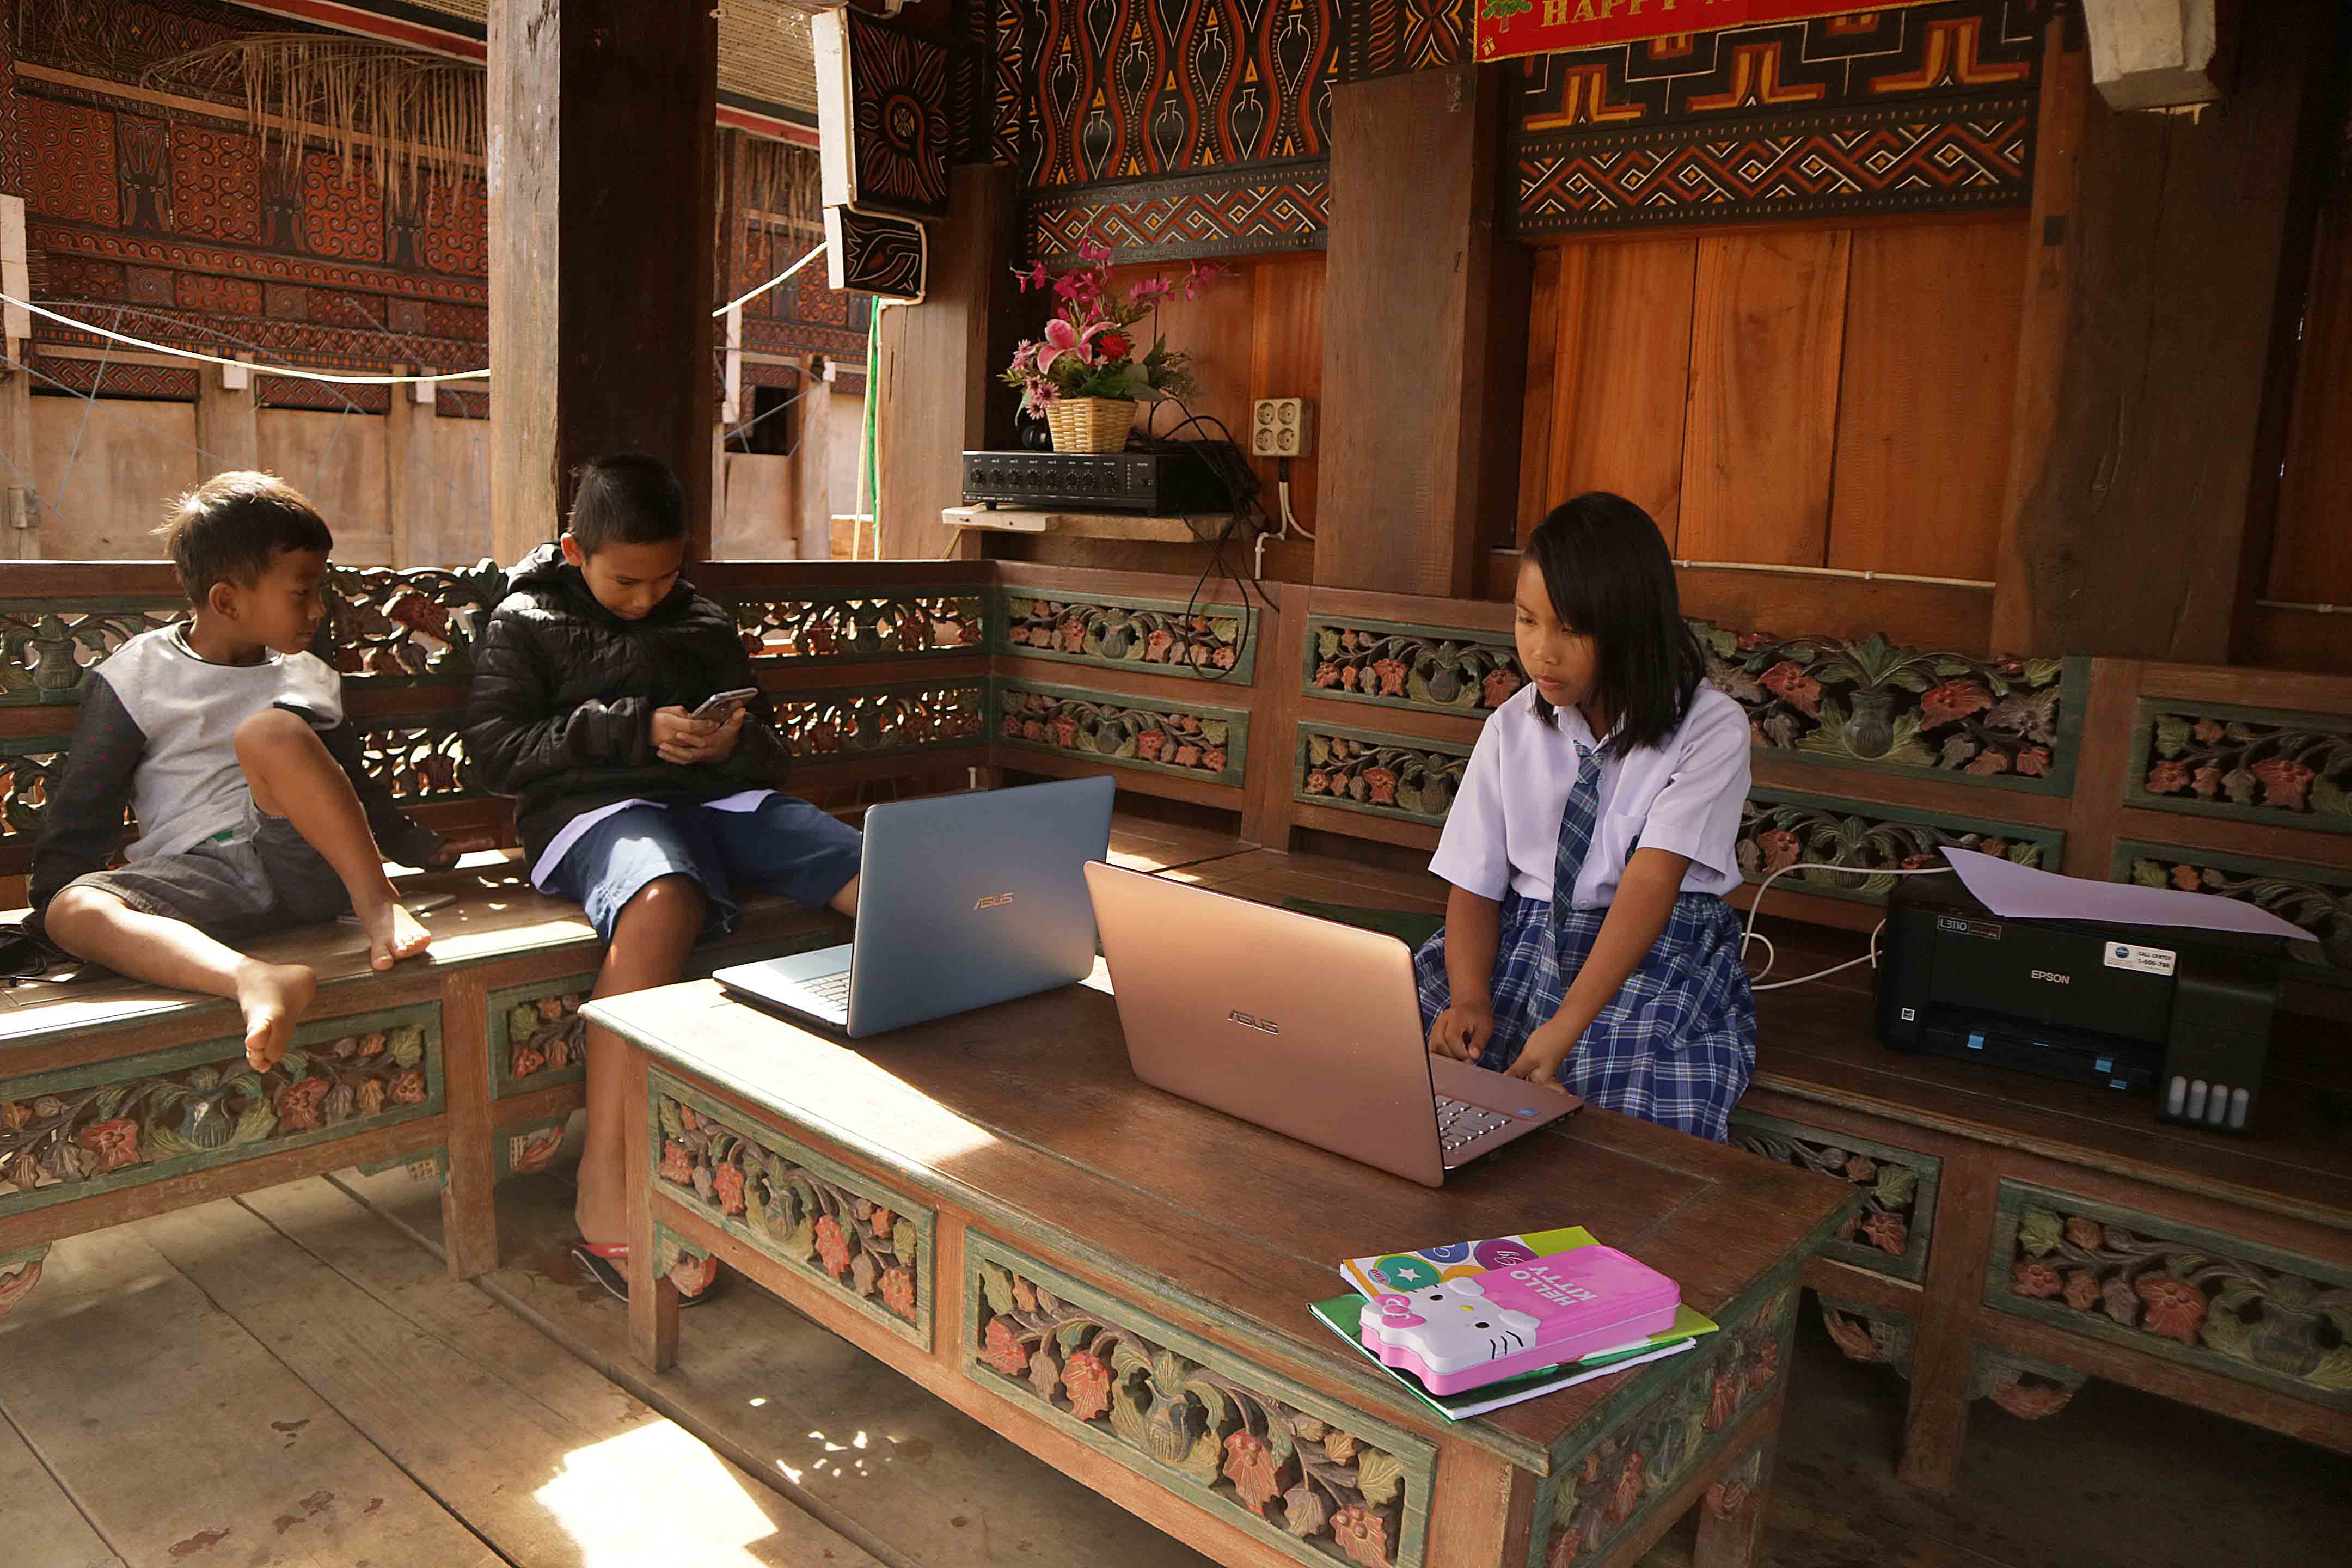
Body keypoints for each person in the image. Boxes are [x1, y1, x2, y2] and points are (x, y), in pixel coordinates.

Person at [463, 454, 862, 1300]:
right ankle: (605, 1176)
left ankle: (877, 1139)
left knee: (880, 875)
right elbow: (496, 758)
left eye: (665, 576)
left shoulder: (705, 621)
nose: (647, 597)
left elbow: (772, 752)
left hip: (715, 800)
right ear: (576, 551)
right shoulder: (524, 620)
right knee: (661, 901)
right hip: (594, 814)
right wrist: (629, 731)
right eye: (624, 582)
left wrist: (731, 741)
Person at [32, 472, 462, 1071]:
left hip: (304, 865)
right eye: (301, 592)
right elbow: (86, 803)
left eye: (322, 590)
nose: (318, 610)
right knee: (71, 912)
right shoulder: (138, 676)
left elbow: (350, 784)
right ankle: (253, 980)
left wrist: (407, 842)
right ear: (228, 600)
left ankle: (379, 907)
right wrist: (52, 902)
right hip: (201, 878)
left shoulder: (304, 675)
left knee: (271, 733)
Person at [1417, 492, 1756, 1141]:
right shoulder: (1512, 724)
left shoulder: (1709, 728)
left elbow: (1651, 884)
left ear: (1631, 625)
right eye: (1525, 621)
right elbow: (1475, 882)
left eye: (1571, 629)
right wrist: (1469, 995)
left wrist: (1566, 1026)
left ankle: (1592, 1242)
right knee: (1399, 1042)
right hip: (1524, 936)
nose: (1541, 653)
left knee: (1612, 1093)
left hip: (1651, 947)